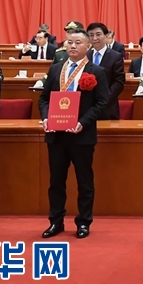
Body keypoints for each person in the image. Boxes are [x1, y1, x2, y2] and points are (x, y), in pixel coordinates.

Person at [38, 29, 110, 239]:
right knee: (56, 181)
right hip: (56, 134)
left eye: (78, 42)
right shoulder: (56, 69)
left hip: (81, 135)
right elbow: (44, 99)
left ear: (88, 46)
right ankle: (56, 221)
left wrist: (82, 123)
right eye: (69, 42)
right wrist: (46, 117)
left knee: (84, 181)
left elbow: (102, 103)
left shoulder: (96, 71)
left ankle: (84, 222)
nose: (73, 46)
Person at [86, 23, 125, 120]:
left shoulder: (116, 56)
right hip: (87, 108)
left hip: (108, 107)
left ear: (106, 35)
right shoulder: (85, 55)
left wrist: (104, 99)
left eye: (98, 34)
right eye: (91, 35)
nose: (95, 38)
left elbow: (119, 82)